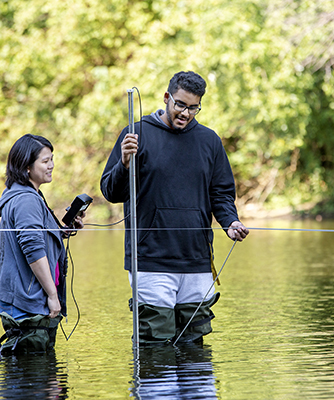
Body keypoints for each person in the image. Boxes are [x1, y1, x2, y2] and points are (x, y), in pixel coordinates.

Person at [101, 71, 249, 345]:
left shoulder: (209, 141)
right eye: (180, 105)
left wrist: (230, 223)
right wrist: (123, 163)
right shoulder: (136, 134)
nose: (186, 113)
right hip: (150, 261)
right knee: (156, 347)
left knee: (194, 348)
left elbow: (222, 194)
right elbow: (111, 192)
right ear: (167, 98)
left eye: (194, 107)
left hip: (197, 260)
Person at [0, 134, 84, 355]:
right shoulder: (26, 200)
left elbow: (36, 237)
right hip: (26, 302)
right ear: (27, 167)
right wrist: (53, 295)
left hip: (27, 298)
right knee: (34, 371)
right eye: (45, 161)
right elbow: (32, 249)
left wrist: (62, 232)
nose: (51, 166)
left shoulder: (31, 195)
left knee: (39, 374)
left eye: (52, 159)